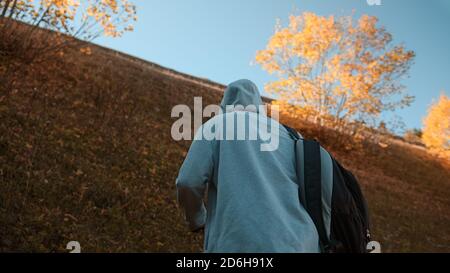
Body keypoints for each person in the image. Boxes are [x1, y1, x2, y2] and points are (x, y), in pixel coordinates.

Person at [176, 79, 320, 253]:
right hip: (303, 242)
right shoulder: (290, 135)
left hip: (241, 244)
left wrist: (197, 219)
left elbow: (188, 181)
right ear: (258, 103)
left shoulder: (217, 125)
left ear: (225, 103)